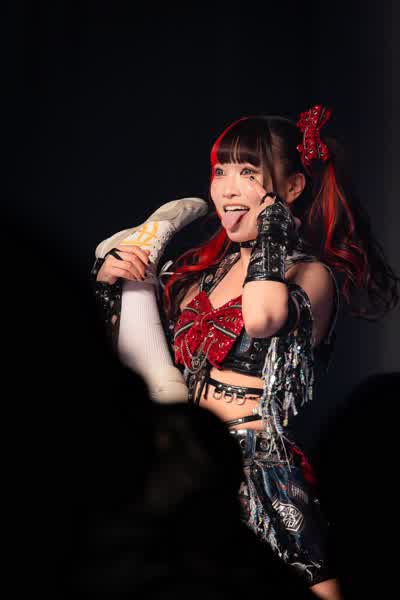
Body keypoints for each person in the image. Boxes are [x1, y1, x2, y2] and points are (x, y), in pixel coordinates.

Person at [92, 105, 400, 599]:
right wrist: (116, 285)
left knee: (309, 583)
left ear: (292, 188)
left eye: (248, 173)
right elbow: (134, 363)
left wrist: (274, 228)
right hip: (189, 458)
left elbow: (260, 318)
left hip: (255, 464)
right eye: (220, 172)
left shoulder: (310, 274)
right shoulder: (201, 274)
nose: (228, 189)